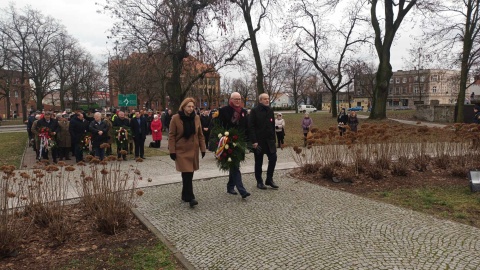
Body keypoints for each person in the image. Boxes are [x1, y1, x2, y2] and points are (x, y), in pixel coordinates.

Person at [169, 97, 206, 207]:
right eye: (188, 106)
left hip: (193, 150)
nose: (190, 108)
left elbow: (200, 135)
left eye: (192, 106)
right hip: (181, 150)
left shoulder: (197, 118)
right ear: (183, 106)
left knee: (189, 174)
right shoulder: (176, 118)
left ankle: (185, 195)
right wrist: (172, 151)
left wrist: (203, 148)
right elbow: (171, 136)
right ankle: (191, 197)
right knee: (187, 174)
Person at [213, 92, 251, 198]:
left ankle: (230, 186)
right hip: (227, 142)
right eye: (235, 99)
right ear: (231, 99)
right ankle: (242, 190)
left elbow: (247, 127)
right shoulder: (224, 111)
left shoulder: (243, 112)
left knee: (235, 164)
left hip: (240, 142)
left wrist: (249, 141)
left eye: (239, 99)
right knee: (235, 165)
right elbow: (217, 125)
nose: (238, 101)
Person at [249, 93, 279, 190]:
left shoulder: (270, 110)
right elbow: (251, 126)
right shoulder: (254, 111)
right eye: (265, 99)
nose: (267, 100)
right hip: (259, 141)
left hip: (269, 140)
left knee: (273, 158)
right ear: (260, 100)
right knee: (259, 162)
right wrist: (254, 141)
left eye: (268, 99)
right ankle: (259, 181)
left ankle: (269, 179)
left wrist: (274, 140)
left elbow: (272, 125)